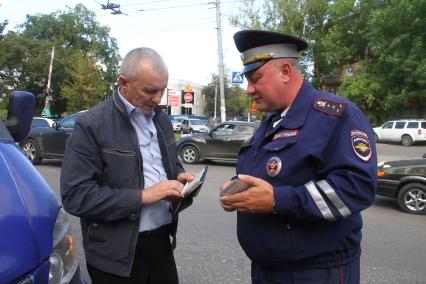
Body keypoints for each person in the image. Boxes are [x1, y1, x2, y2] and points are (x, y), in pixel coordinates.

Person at [220, 30, 377, 284]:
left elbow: (356, 188)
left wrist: (276, 201)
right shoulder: (272, 118)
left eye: (255, 78)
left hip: (314, 273)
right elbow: (273, 171)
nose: (249, 89)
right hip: (268, 270)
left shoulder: (336, 116)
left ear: (285, 71)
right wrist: (238, 187)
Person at [60, 47, 195, 284]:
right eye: (150, 90)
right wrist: (144, 196)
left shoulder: (161, 119)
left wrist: (180, 179)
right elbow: (75, 196)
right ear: (124, 82)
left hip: (162, 246)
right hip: (114, 257)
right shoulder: (91, 125)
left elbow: (170, 164)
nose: (157, 99)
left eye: (162, 90)